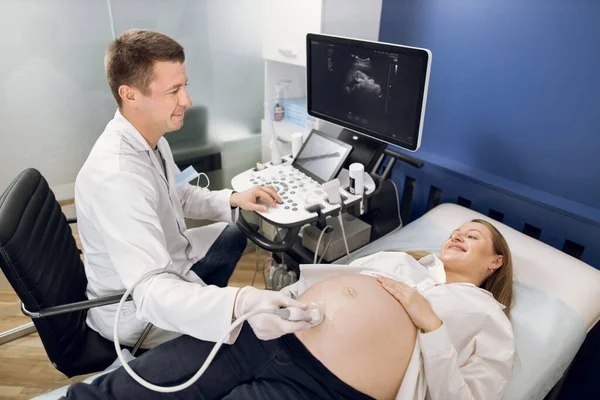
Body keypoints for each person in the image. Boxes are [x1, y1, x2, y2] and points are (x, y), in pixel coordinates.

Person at [63, 219, 516, 399]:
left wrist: (430, 323)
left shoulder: (486, 315)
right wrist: (271, 303)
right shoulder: (401, 260)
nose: (458, 235)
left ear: (495, 262)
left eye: (473, 236)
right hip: (264, 332)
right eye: (455, 230)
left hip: (323, 387)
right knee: (132, 389)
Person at [75, 29, 312, 350]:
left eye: (185, 86)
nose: (186, 100)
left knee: (231, 234)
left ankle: (203, 301)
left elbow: (179, 194)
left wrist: (232, 198)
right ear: (130, 95)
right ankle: (194, 339)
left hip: (171, 260)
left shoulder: (150, 137)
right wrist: (241, 304)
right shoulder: (117, 178)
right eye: (173, 91)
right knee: (253, 338)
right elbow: (152, 292)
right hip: (138, 314)